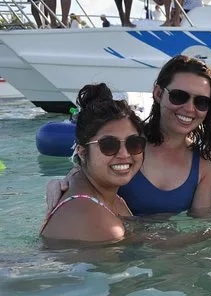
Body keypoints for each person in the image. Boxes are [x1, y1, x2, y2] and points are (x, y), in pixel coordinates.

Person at [46, 55, 211, 216]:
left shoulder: (205, 164)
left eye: (201, 102)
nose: (190, 108)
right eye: (179, 96)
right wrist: (65, 182)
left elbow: (201, 227)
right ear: (158, 93)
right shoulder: (124, 142)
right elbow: (86, 173)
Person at [41, 83, 145, 242]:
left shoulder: (101, 195)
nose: (124, 154)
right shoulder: (100, 223)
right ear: (83, 153)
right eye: (109, 145)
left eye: (134, 143)